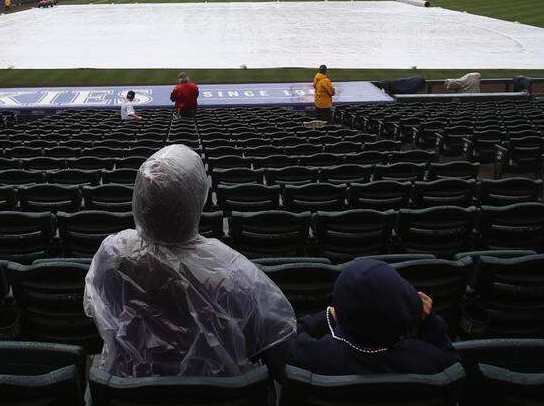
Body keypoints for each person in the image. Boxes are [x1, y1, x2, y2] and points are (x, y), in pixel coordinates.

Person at [84, 145, 295, 376]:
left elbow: (104, 315)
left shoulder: (111, 254)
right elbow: (262, 338)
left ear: (140, 197)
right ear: (198, 198)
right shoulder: (232, 271)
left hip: (129, 388)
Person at [263, 259, 457, 378]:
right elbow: (453, 364)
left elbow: (275, 346)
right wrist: (429, 321)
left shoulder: (315, 357)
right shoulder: (426, 361)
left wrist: (326, 317)